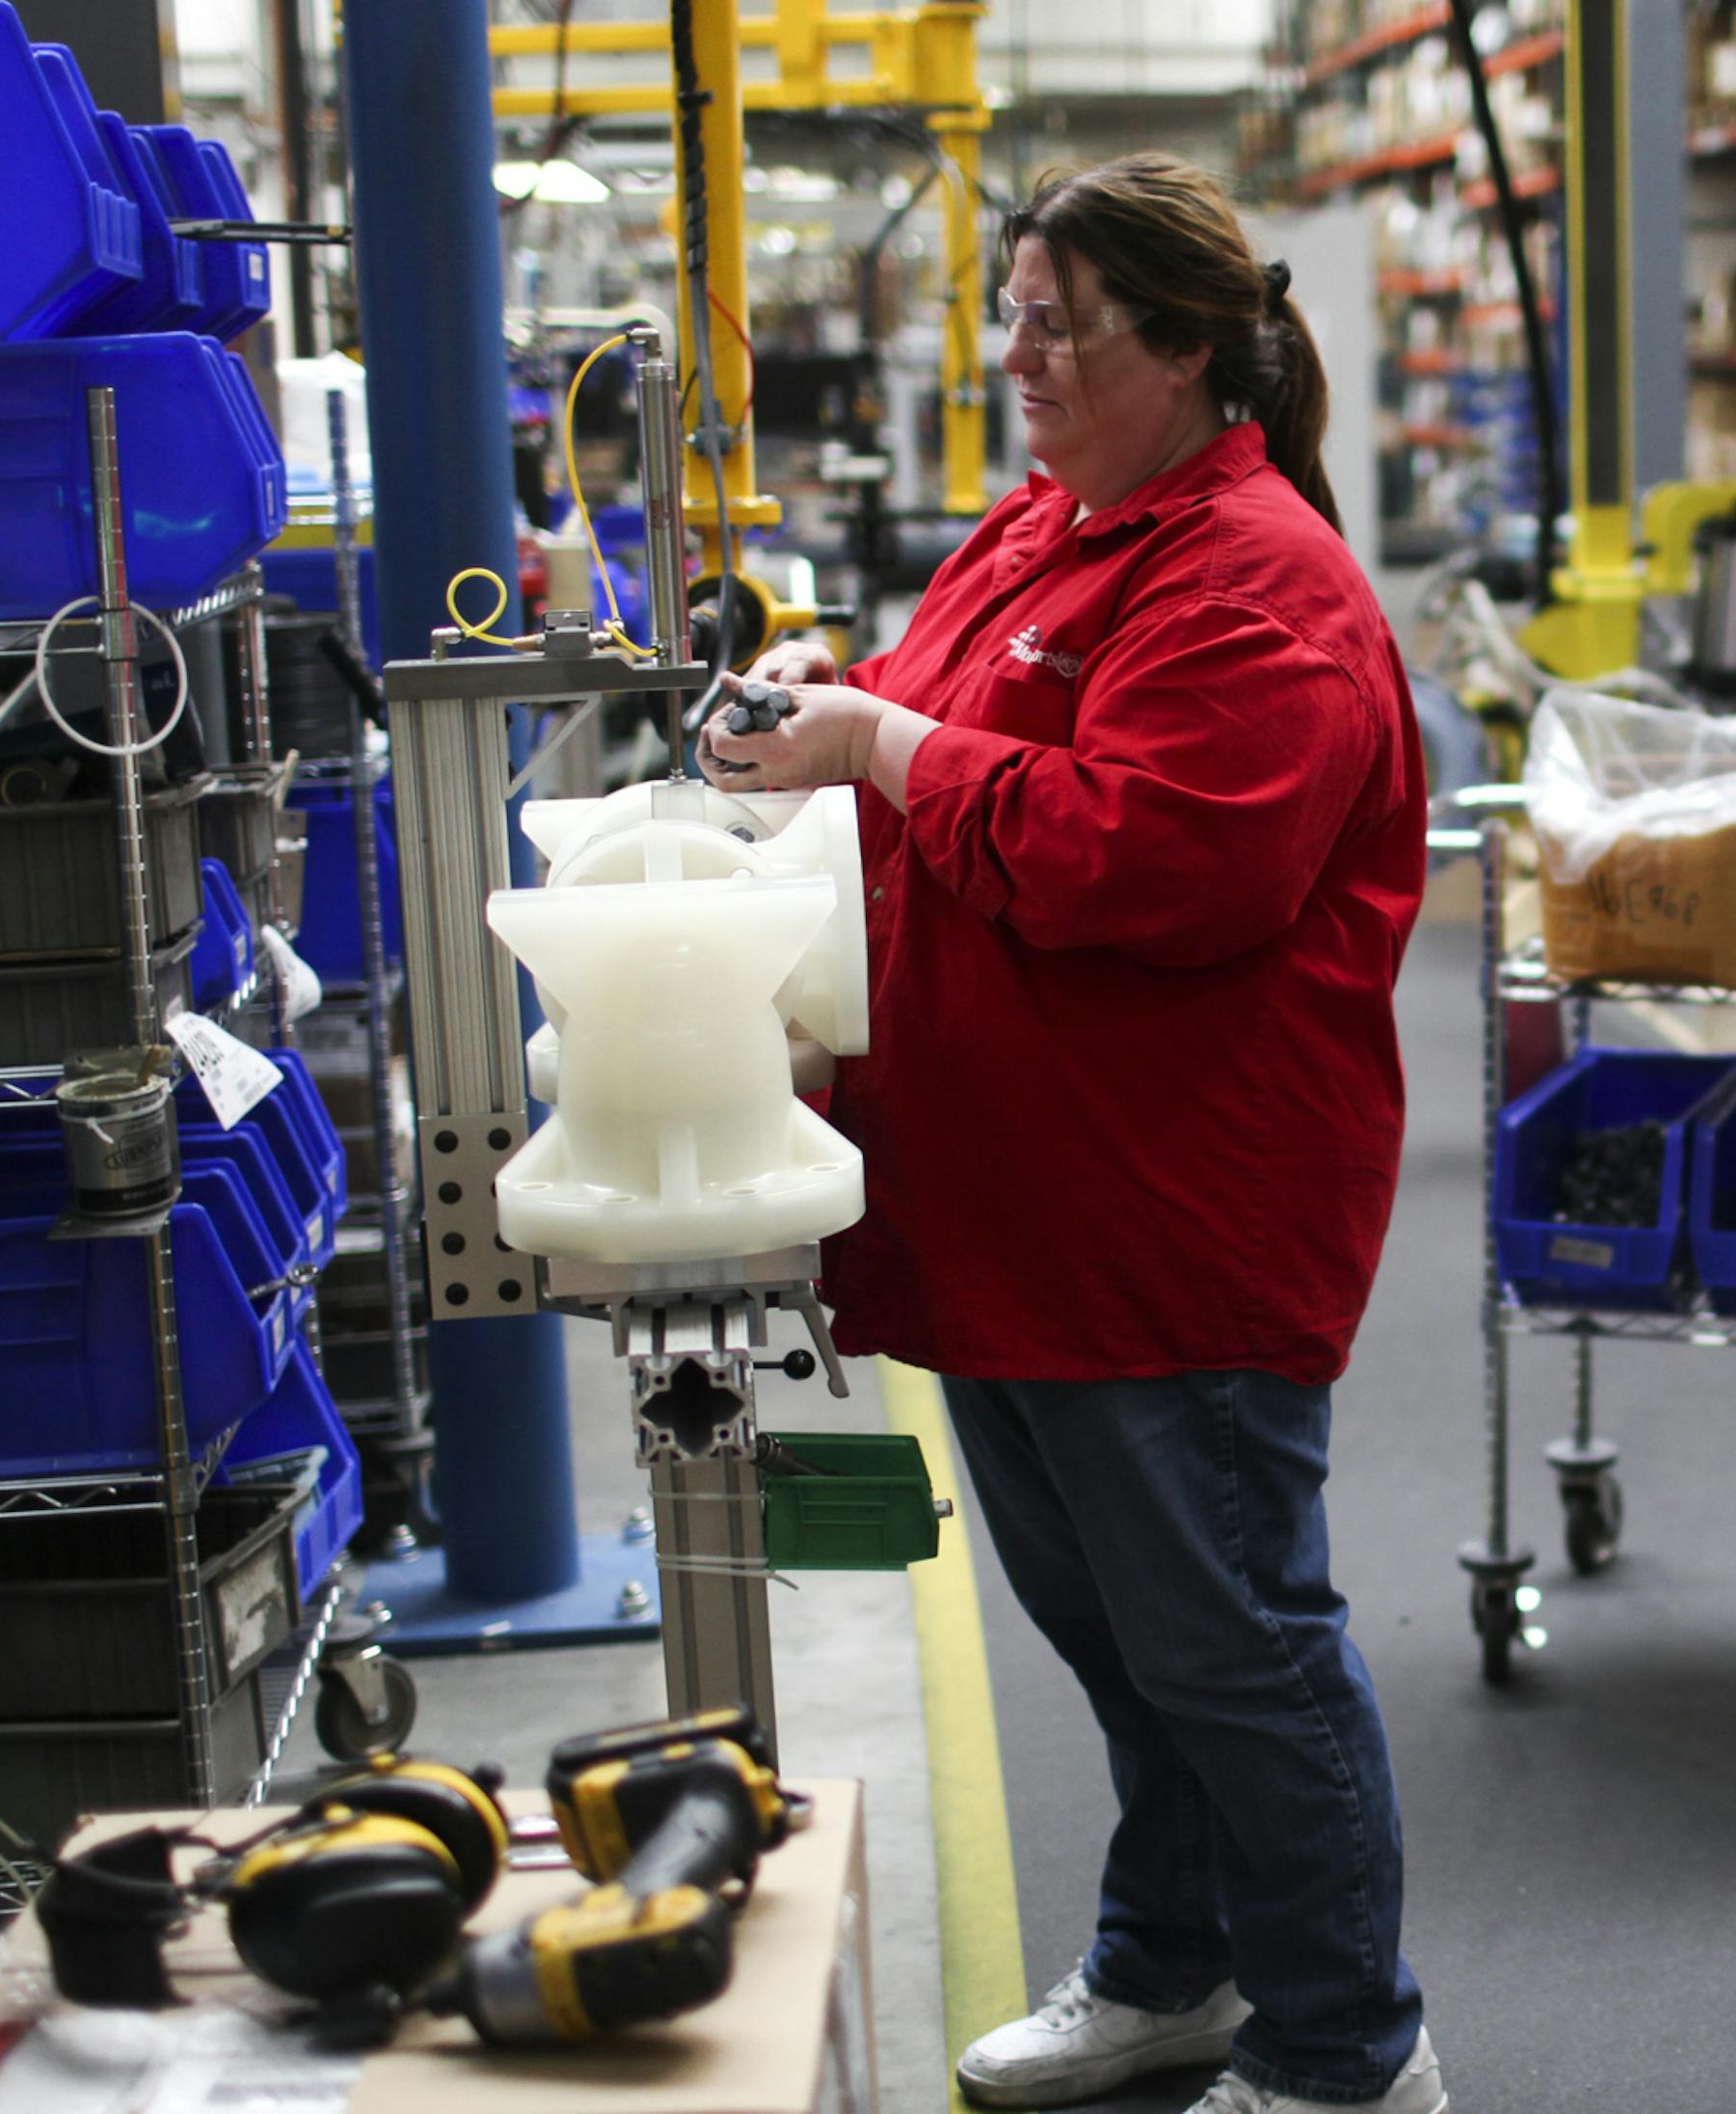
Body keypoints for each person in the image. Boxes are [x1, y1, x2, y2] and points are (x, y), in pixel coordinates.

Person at [697, 154, 1440, 2114]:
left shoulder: (1259, 587)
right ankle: (1174, 1970)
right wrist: (836, 698)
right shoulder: (1053, 527)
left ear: (1190, 351)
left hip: (1170, 1229)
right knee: (1130, 1646)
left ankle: (1351, 2058)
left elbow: (1151, 859)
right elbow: (953, 731)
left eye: (1059, 323)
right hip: (1023, 1219)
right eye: (1011, 312)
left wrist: (886, 744)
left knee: (1242, 1656)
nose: (1017, 355)